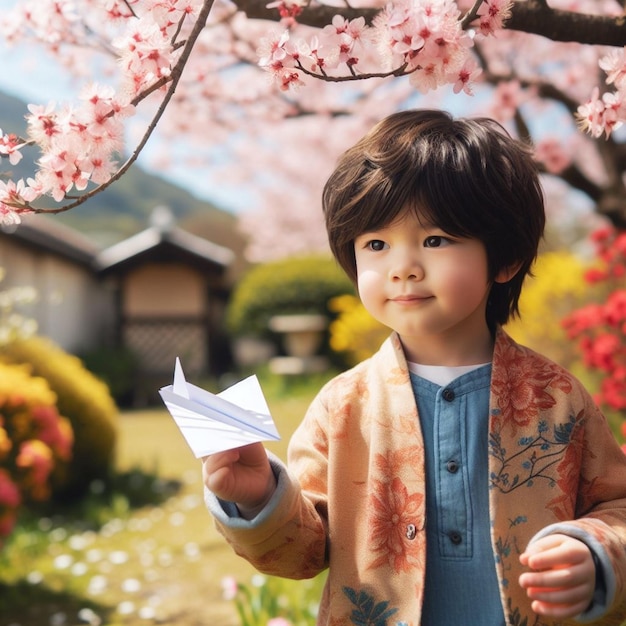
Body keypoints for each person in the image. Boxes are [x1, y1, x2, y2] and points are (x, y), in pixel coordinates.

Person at [203, 109, 626, 625]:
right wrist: (261, 499)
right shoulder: (343, 406)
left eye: (435, 240)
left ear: (505, 259)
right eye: (376, 244)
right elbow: (305, 552)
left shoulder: (558, 398)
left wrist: (595, 552)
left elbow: (617, 503)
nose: (401, 266)